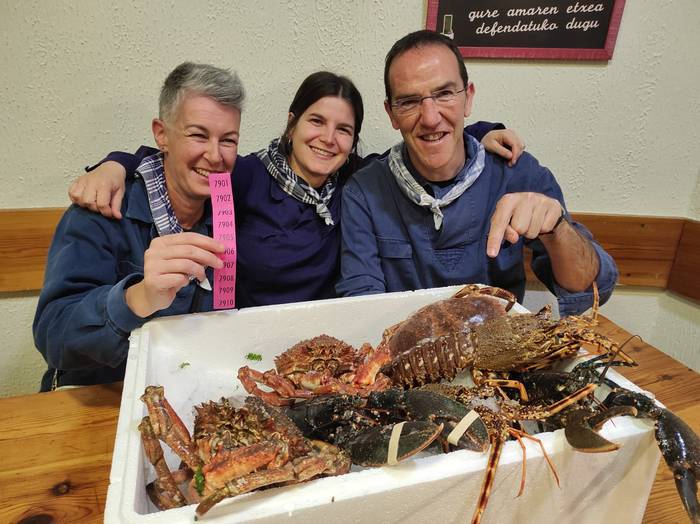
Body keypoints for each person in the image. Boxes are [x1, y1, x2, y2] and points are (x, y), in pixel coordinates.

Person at [69, 72, 525, 309]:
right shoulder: (245, 176)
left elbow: (418, 148)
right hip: (243, 337)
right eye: (316, 121)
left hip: (320, 345)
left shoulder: (356, 182)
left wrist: (479, 130)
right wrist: (116, 164)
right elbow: (186, 156)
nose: (328, 139)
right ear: (292, 123)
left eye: (344, 130)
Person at [336, 30, 618, 316]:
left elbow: (592, 289)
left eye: (444, 94)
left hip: (499, 340)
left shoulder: (517, 173)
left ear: (468, 98)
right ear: (391, 114)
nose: (430, 118)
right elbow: (362, 305)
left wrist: (557, 230)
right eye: (409, 101)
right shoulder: (365, 191)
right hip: (401, 342)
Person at [33, 62, 244, 391]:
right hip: (99, 395)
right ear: (162, 134)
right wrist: (138, 297)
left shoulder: (232, 204)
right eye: (198, 135)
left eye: (228, 140)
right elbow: (53, 336)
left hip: (189, 388)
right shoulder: (103, 208)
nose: (215, 156)